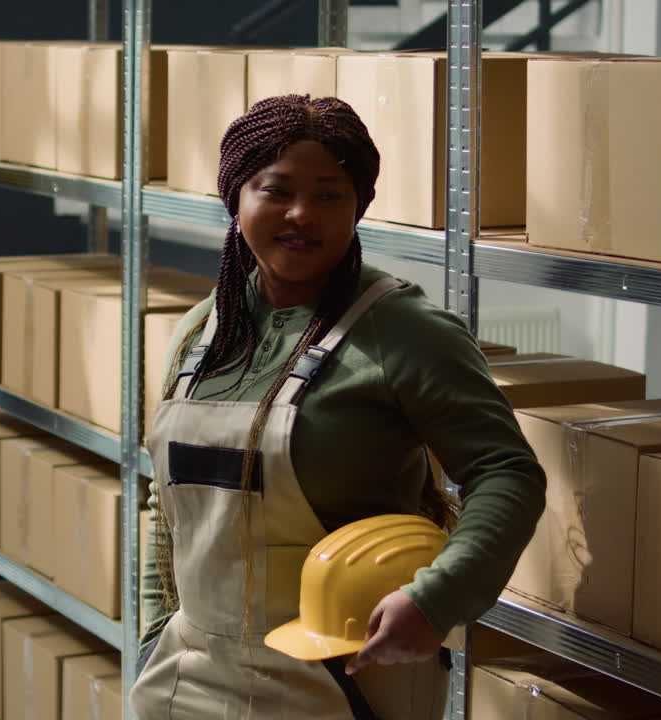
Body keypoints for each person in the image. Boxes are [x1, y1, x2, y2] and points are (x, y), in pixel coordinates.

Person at [129, 95, 547, 719]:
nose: (302, 214)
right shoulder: (200, 334)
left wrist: (437, 600)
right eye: (276, 190)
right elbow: (166, 509)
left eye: (329, 195)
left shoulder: (405, 331)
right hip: (189, 676)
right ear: (235, 197)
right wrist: (153, 634)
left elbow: (507, 473)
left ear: (358, 208)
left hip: (347, 676)